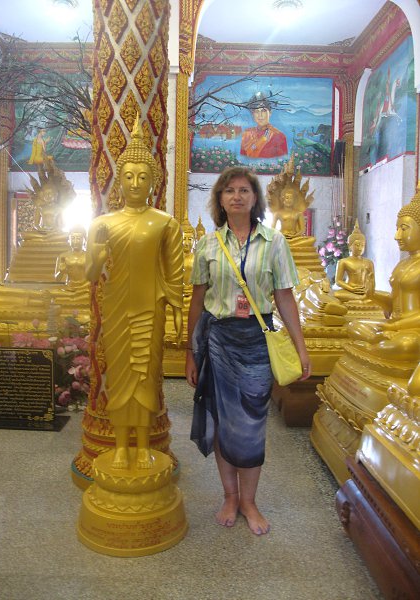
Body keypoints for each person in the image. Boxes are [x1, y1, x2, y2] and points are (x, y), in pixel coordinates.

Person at [185, 166, 311, 536]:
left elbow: (285, 298)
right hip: (218, 340)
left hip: (257, 340)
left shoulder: (274, 242)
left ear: (255, 198)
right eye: (229, 191)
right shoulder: (208, 245)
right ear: (220, 199)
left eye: (244, 190)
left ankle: (249, 501)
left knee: (252, 425)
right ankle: (229, 496)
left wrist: (301, 348)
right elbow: (197, 302)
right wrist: (191, 352)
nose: (237, 196)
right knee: (223, 421)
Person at [85, 116, 184, 471]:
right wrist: (97, 258)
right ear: (119, 180)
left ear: (153, 181)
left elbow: (174, 272)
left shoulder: (165, 223)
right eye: (128, 176)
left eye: (143, 177)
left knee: (145, 377)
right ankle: (120, 446)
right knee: (120, 376)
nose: (135, 183)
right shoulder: (103, 224)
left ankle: (142, 446)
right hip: (116, 309)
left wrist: (177, 312)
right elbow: (90, 275)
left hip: (150, 309)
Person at [348, 188, 420, 361]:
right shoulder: (402, 264)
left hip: (412, 329)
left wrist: (395, 326)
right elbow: (393, 303)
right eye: (397, 228)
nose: (397, 236)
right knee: (353, 325)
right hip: (394, 325)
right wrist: (372, 295)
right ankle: (377, 344)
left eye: (404, 229)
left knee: (405, 345)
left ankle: (374, 346)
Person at [334, 221, 375, 303]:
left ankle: (362, 298)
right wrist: (352, 288)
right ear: (349, 246)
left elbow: (372, 281)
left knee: (385, 295)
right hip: (350, 290)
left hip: (365, 291)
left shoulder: (369, 262)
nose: (360, 248)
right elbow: (338, 281)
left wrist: (368, 289)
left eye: (362, 245)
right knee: (337, 294)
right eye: (357, 245)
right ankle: (362, 299)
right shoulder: (343, 262)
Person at [240, 93, 288, 159]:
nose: (260, 115)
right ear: (253, 114)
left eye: (263, 111)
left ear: (270, 113)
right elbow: (243, 159)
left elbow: (282, 161)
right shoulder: (247, 134)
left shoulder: (279, 136)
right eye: (257, 111)